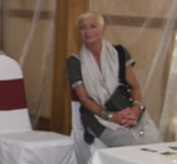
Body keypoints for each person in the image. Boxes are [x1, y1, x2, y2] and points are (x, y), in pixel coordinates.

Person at [67, 11, 160, 147]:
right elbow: (85, 99)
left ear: (103, 29)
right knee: (128, 145)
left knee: (154, 142)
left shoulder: (119, 53)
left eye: (93, 26)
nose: (87, 32)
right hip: (97, 116)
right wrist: (111, 117)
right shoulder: (75, 62)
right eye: (83, 28)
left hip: (125, 108)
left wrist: (135, 109)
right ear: (79, 32)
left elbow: (134, 86)